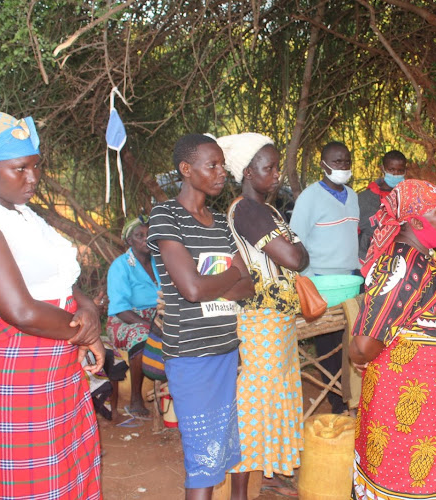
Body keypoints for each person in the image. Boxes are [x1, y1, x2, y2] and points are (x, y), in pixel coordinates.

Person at [0, 112, 103, 499]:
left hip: (57, 360)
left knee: (70, 474)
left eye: (36, 167)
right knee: (30, 486)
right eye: (20, 168)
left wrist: (88, 313)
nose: (32, 178)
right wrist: (84, 329)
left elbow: (65, 281)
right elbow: (20, 311)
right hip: (14, 367)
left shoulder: (24, 216)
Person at [350, 179, 436, 500]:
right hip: (409, 401)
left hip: (431, 402)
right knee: (404, 478)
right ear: (416, 222)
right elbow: (366, 344)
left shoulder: (424, 255)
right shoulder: (403, 266)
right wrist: (360, 356)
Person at [147, 133, 255, 500]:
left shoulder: (221, 224)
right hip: (191, 355)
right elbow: (191, 289)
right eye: (213, 165)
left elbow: (249, 286)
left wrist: (212, 283)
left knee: (218, 452)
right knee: (202, 464)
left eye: (223, 164)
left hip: (226, 351)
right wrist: (227, 278)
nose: (222, 172)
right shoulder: (165, 216)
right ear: (186, 169)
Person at [217, 132, 308, 498]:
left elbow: (298, 253)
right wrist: (297, 246)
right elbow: (294, 257)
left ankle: (270, 474)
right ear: (248, 173)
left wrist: (297, 248)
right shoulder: (247, 210)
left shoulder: (267, 210)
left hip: (278, 319)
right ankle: (241, 489)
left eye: (276, 167)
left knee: (276, 397)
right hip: (261, 320)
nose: (277, 176)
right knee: (255, 404)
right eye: (268, 168)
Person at [290, 141, 360, 414]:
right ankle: (336, 403)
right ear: (323, 164)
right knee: (328, 343)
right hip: (321, 281)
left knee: (350, 342)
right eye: (337, 162)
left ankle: (352, 397)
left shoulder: (352, 196)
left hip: (350, 280)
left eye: (346, 162)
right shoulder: (309, 197)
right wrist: (308, 280)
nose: (343, 167)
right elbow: (296, 241)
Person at [106, 215, 161, 418]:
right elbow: (120, 308)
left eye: (149, 234)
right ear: (130, 241)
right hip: (124, 320)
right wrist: (149, 325)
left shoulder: (160, 262)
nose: (146, 239)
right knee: (143, 336)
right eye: (140, 235)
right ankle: (135, 400)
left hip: (156, 317)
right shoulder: (120, 266)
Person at [357, 150, 406, 261]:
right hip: (368, 259)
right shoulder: (364, 199)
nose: (396, 174)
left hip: (402, 260)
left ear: (405, 171)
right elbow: (353, 233)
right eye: (391, 170)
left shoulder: (409, 196)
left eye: (400, 171)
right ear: (382, 168)